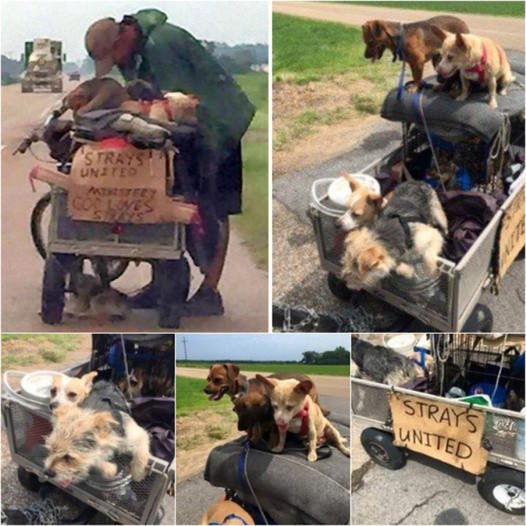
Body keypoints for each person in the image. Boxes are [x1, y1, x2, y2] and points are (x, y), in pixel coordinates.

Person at [84, 9, 255, 316]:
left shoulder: (161, 44)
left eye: (114, 57)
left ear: (123, 37)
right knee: (169, 195)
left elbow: (175, 103)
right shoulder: (137, 50)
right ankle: (161, 285)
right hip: (196, 128)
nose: (117, 65)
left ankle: (209, 292)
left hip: (221, 126)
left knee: (213, 207)